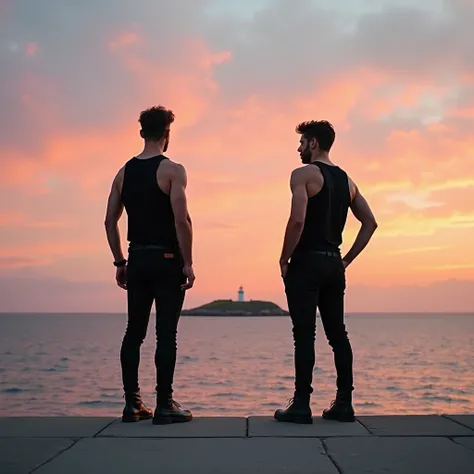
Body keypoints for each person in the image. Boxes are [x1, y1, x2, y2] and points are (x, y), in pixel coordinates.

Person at [274, 120, 378, 424]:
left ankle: (301, 405)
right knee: (338, 335)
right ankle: (344, 403)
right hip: (334, 263)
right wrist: (345, 260)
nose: (299, 148)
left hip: (306, 263)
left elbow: (297, 221)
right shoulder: (348, 182)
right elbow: (370, 223)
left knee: (303, 335)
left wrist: (284, 258)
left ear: (314, 143)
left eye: (302, 142)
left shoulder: (303, 175)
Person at [104, 105, 195, 425]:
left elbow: (109, 221)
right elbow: (181, 219)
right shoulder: (173, 170)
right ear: (166, 135)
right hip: (167, 259)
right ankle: (165, 404)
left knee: (134, 332)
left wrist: (119, 261)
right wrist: (188, 262)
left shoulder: (123, 172)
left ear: (142, 133)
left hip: (137, 259)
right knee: (165, 334)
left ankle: (132, 404)